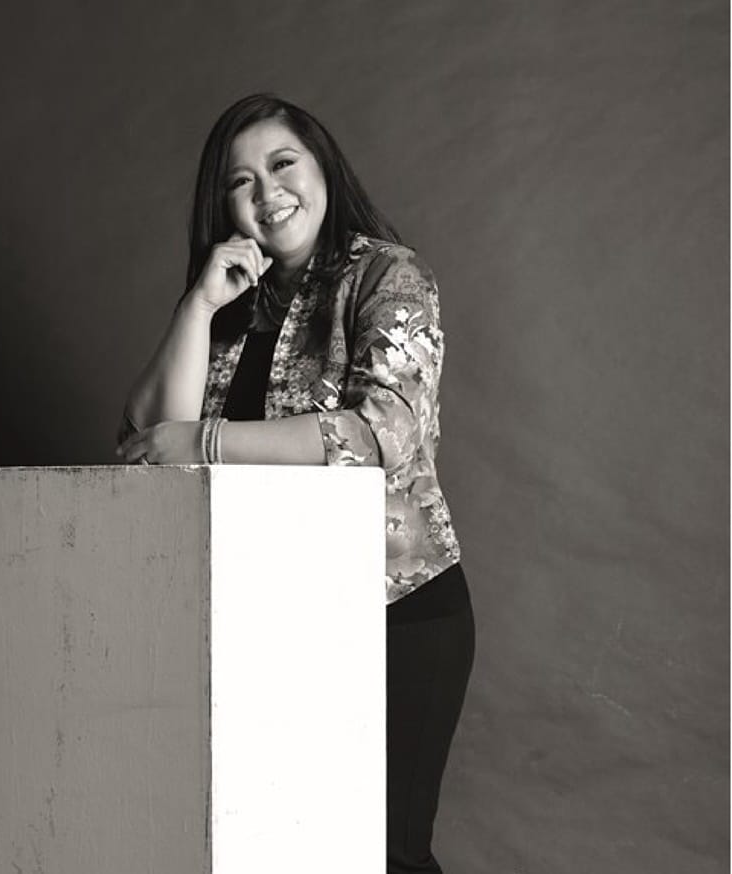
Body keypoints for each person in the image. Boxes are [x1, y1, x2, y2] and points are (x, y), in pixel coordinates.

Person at [115, 93, 475, 873]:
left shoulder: (389, 275)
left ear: (323, 169)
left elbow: (381, 433)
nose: (267, 192)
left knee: (385, 856)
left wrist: (205, 443)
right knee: (286, 853)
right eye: (240, 181)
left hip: (395, 615)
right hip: (272, 624)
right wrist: (199, 304)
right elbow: (149, 444)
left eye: (282, 164)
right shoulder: (233, 303)